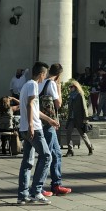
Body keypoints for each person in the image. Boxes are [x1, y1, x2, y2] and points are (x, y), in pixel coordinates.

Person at [17, 61, 56, 205]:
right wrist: (32, 125)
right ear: (41, 74)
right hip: (33, 128)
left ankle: (22, 195)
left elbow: (34, 108)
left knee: (27, 162)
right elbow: (29, 105)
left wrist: (49, 120)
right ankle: (36, 191)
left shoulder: (25, 85)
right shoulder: (33, 85)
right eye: (44, 75)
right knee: (46, 156)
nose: (44, 78)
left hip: (24, 128)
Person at [39, 63, 72, 196]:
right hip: (49, 123)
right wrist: (59, 89)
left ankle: (56, 184)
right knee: (48, 155)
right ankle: (40, 186)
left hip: (43, 122)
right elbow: (58, 104)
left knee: (55, 154)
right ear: (59, 74)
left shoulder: (41, 83)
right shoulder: (52, 84)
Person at [65, 80, 94, 156]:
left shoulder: (80, 95)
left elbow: (84, 107)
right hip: (71, 118)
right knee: (68, 133)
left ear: (75, 87)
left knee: (83, 134)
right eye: (70, 87)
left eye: (71, 87)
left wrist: (85, 118)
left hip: (79, 118)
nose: (70, 88)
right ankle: (70, 150)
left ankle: (90, 147)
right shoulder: (71, 96)